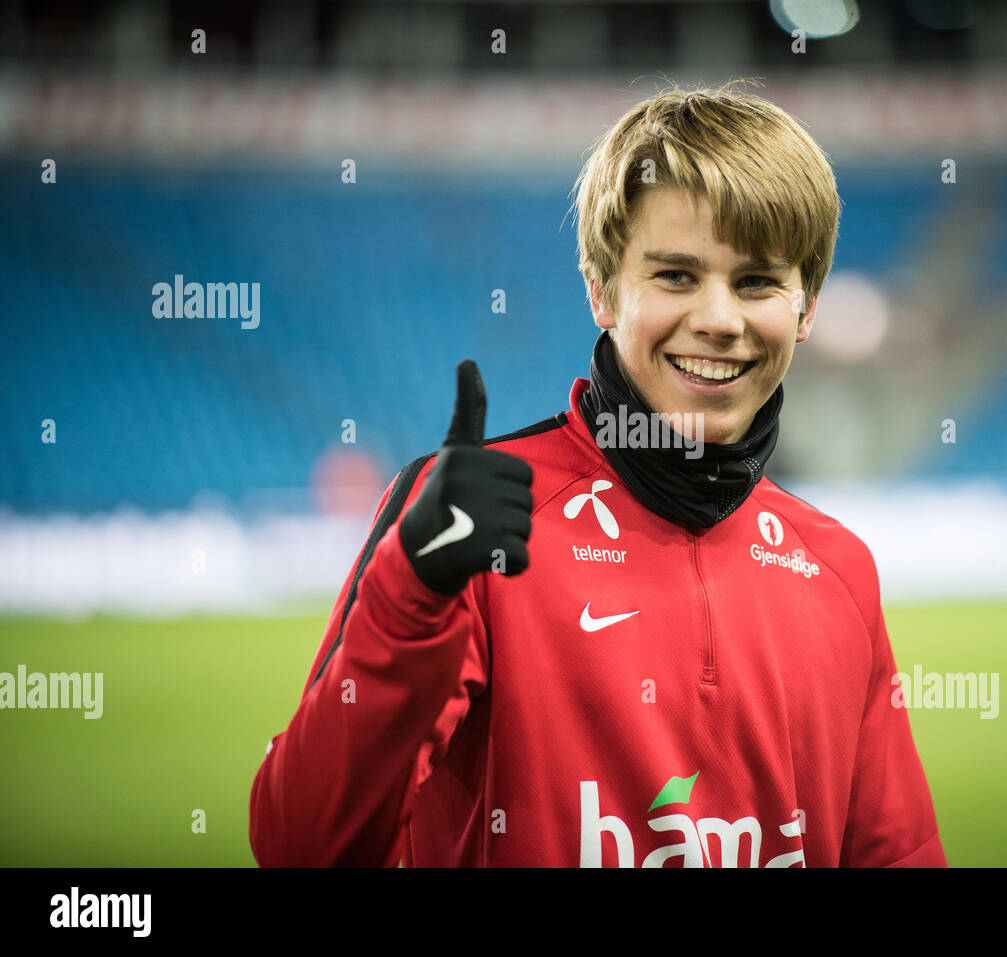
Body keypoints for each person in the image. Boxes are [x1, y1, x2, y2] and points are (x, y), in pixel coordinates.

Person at [249, 83, 946, 867]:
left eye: (756, 281)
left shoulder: (839, 570)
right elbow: (299, 848)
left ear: (806, 305)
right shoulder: (470, 525)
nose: (719, 318)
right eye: (676, 276)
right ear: (601, 290)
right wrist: (409, 599)